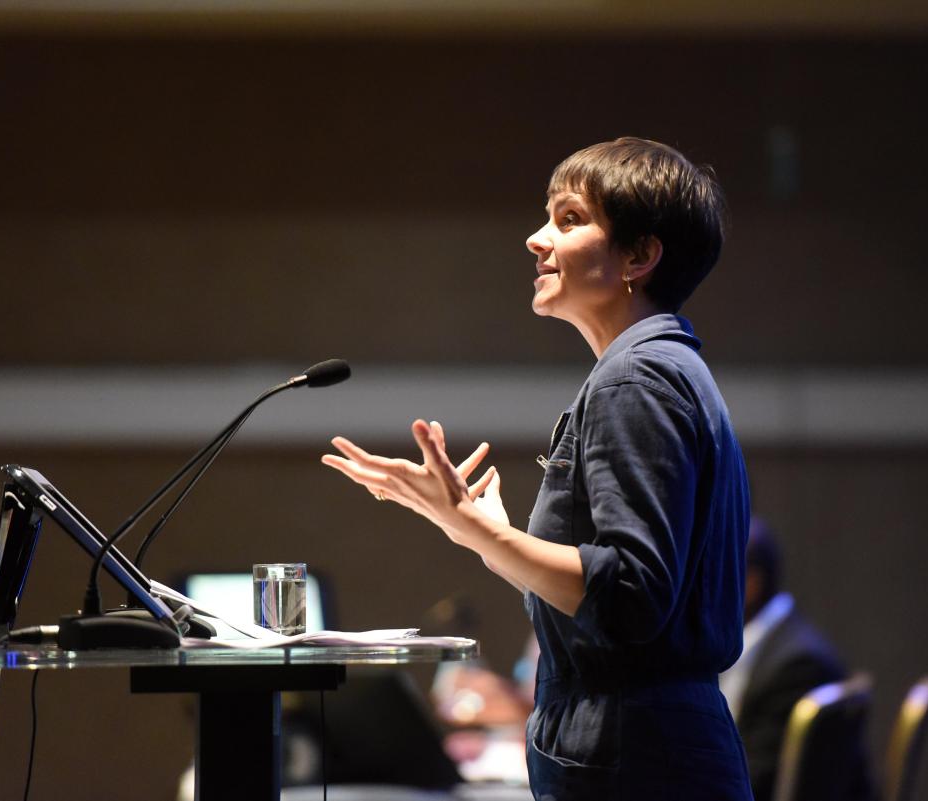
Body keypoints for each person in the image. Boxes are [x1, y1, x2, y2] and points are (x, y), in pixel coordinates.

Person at [323, 137, 751, 800]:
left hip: (633, 758)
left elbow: (630, 596)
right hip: (651, 746)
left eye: (569, 219)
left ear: (639, 255)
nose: (535, 238)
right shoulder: (663, 368)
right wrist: (483, 532)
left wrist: (480, 533)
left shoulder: (633, 379)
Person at [719, 519, 872, 801]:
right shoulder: (773, 642)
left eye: (716, 572)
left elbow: (756, 781)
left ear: (751, 584)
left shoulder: (798, 666)